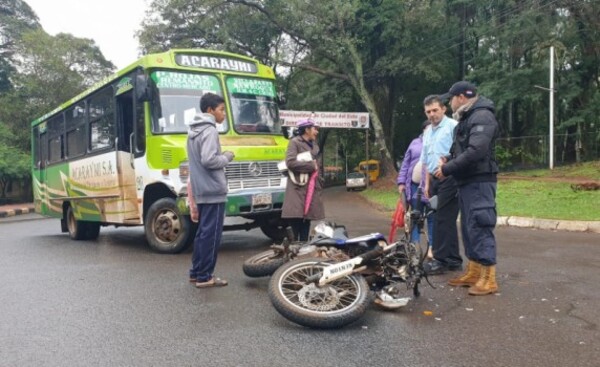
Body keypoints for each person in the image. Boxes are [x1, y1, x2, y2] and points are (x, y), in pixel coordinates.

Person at [435, 81, 500, 296]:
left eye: (451, 99)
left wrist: (448, 168)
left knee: (480, 224)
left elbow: (476, 151)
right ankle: (473, 271)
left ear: (461, 98)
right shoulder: (467, 118)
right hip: (467, 180)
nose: (450, 103)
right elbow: (463, 150)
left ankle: (488, 278)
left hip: (480, 180)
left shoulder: (481, 116)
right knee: (468, 226)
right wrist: (450, 158)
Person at [187, 92, 235, 288]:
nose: (224, 114)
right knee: (212, 235)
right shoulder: (209, 130)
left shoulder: (193, 131)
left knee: (202, 234)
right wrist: (227, 157)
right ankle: (205, 276)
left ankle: (196, 272)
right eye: (221, 110)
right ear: (210, 110)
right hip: (213, 190)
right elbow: (209, 159)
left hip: (201, 189)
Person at [421, 95, 461, 274]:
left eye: (435, 110)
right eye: (428, 111)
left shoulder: (453, 127)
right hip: (434, 180)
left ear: (443, 109)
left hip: (451, 178)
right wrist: (426, 184)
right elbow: (425, 159)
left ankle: (439, 259)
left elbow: (462, 153)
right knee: (445, 219)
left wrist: (448, 167)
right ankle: (453, 259)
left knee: (441, 218)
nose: (432, 114)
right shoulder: (427, 131)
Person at [281, 118, 325, 241]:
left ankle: (303, 253)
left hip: (311, 190)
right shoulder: (294, 142)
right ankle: (292, 255)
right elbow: (290, 162)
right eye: (314, 129)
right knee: (296, 224)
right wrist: (311, 166)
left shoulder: (314, 145)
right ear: (306, 130)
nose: (316, 132)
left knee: (306, 223)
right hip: (297, 189)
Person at [396, 120, 434, 256]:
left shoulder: (438, 142)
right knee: (415, 217)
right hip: (414, 186)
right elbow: (405, 164)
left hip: (432, 186)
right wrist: (401, 183)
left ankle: (432, 248)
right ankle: (415, 249)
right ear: (423, 130)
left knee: (432, 216)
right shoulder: (415, 143)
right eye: (427, 128)